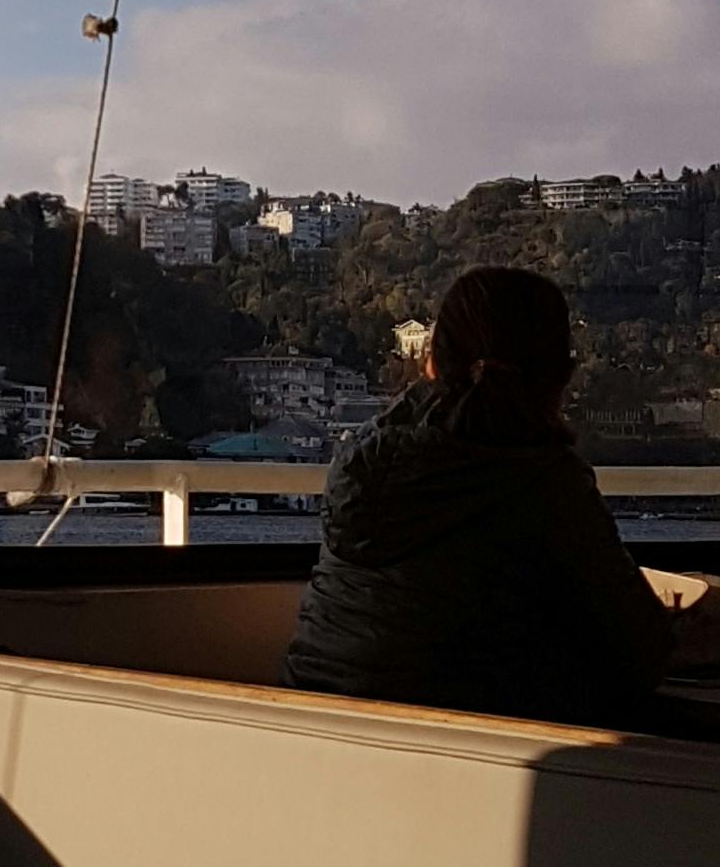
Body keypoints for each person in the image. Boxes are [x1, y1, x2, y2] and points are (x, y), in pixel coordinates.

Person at [284, 266, 672, 722]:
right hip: (471, 749)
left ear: (431, 363)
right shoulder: (549, 486)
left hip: (309, 729)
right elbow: (643, 653)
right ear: (560, 376)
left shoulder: (361, 463)